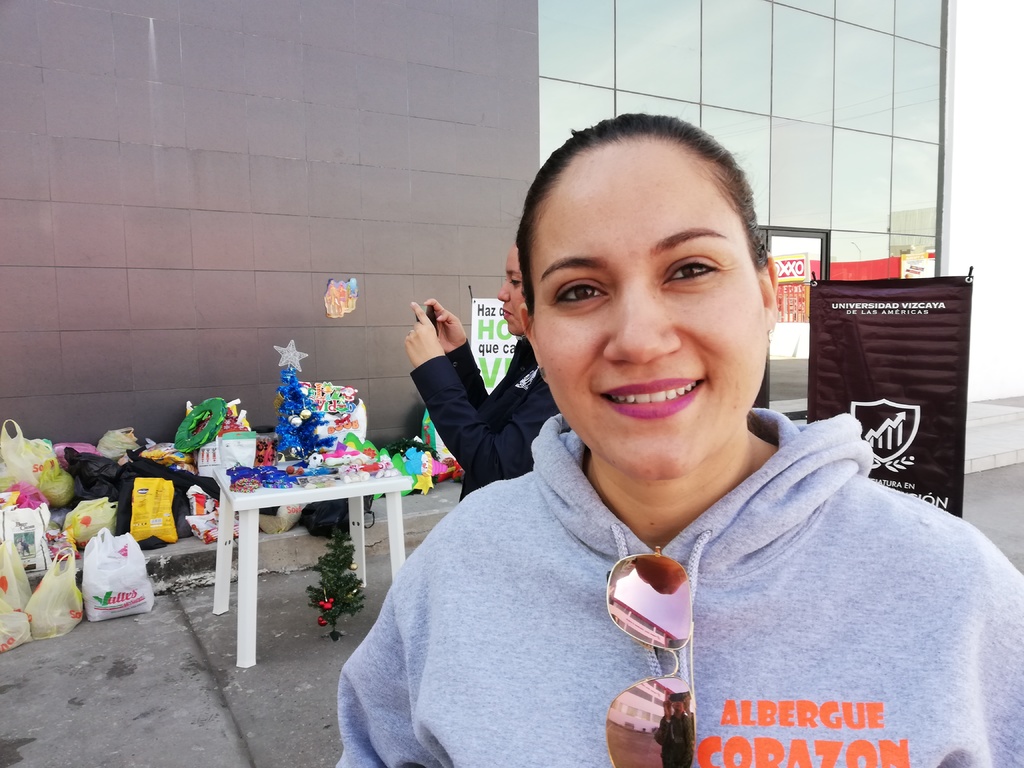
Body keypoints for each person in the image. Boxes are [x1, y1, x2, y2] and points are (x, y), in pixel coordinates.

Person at [337, 114, 1024, 767]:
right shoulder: (455, 571)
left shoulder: (954, 591)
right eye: (578, 290)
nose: (639, 339)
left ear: (768, 296)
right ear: (535, 331)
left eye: (691, 269)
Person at [403, 245, 558, 499]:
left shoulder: (561, 372)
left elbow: (495, 467)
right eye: (506, 279)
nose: (502, 294)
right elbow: (487, 424)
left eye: (515, 281)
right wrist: (457, 355)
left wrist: (433, 369)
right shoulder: (531, 353)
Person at [655, 692, 695, 768]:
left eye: (681, 700)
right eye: (675, 700)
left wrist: (688, 710)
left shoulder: (689, 720)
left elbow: (695, 732)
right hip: (669, 763)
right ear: (672, 704)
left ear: (685, 704)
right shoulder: (666, 720)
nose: (678, 702)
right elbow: (660, 740)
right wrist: (667, 718)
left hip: (686, 763)